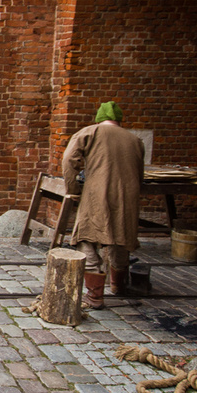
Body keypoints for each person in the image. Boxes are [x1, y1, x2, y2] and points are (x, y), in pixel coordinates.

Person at [62, 101, 145, 309]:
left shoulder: (89, 132)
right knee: (121, 238)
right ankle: (118, 285)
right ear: (118, 119)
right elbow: (139, 172)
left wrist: (72, 189)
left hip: (97, 194)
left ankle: (95, 296)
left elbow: (68, 159)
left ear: (99, 117)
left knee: (87, 238)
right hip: (128, 195)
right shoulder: (135, 140)